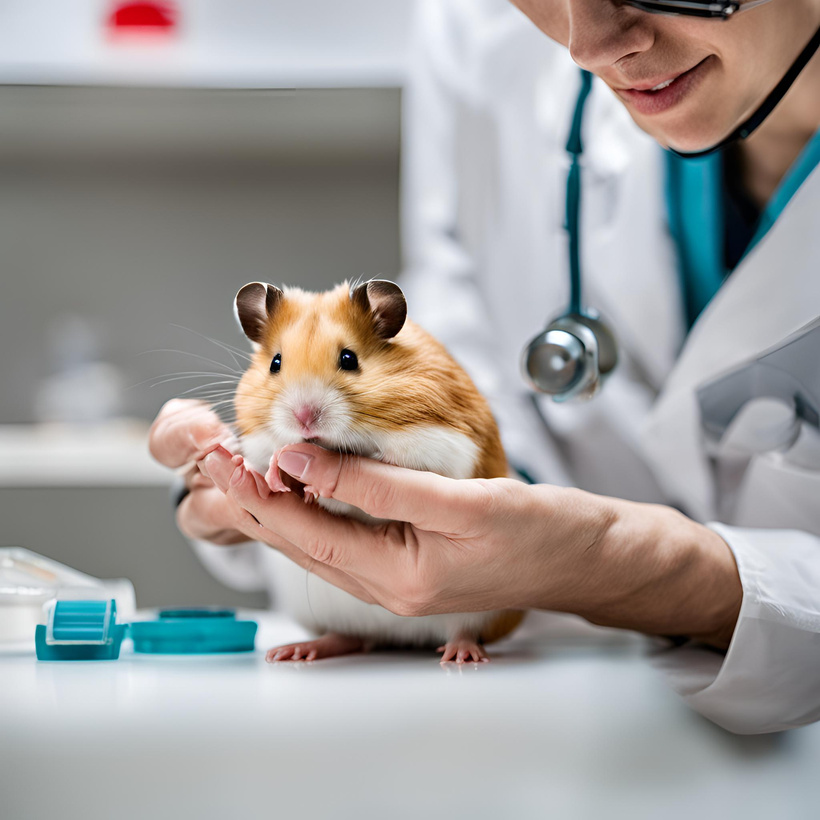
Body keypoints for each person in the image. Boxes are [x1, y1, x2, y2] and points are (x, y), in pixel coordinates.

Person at [149, 0, 820, 734]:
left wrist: (658, 573)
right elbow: (472, 382)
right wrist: (286, 514)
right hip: (537, 720)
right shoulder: (475, 27)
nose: (587, 44)